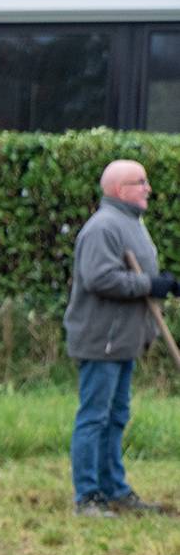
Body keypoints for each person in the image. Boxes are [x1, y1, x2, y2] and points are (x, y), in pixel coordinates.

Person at [64, 159, 172, 517]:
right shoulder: (103, 227)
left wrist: (160, 285)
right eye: (140, 182)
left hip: (124, 341)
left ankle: (115, 489)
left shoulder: (131, 224)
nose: (148, 188)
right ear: (118, 190)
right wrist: (148, 284)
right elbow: (99, 278)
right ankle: (88, 496)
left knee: (116, 417)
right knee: (95, 417)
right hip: (102, 341)